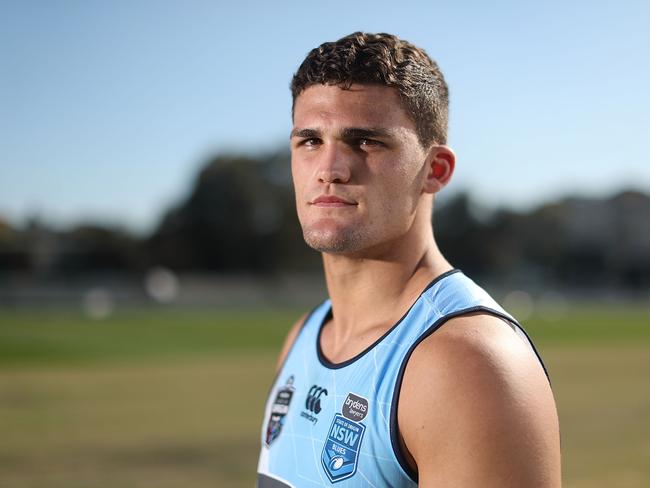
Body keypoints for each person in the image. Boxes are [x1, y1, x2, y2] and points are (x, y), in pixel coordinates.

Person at [257, 32, 561, 487]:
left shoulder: (467, 363)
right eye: (311, 141)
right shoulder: (304, 335)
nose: (330, 168)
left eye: (366, 142)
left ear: (434, 170)